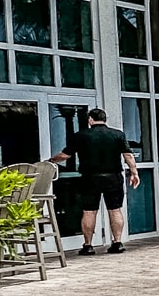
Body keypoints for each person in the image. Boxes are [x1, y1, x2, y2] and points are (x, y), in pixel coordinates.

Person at [52, 108, 139, 255]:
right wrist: (134, 172)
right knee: (115, 209)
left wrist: (51, 160)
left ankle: (88, 245)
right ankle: (117, 242)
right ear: (104, 119)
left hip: (90, 178)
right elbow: (128, 155)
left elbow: (65, 156)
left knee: (89, 211)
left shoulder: (80, 136)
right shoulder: (118, 134)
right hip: (113, 176)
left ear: (90, 120)